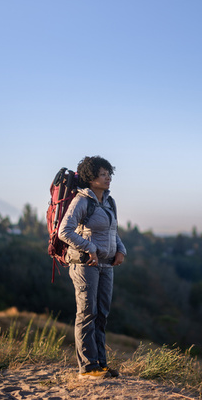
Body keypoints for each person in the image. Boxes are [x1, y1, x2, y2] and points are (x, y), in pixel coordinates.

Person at [59, 155, 126, 379]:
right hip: (84, 264)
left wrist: (121, 250)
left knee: (102, 315)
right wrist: (90, 248)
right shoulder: (81, 201)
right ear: (91, 178)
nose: (108, 178)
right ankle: (87, 368)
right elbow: (64, 232)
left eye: (109, 173)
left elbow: (113, 232)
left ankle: (100, 364)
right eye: (103, 174)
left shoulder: (109, 201)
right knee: (87, 313)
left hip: (106, 265)